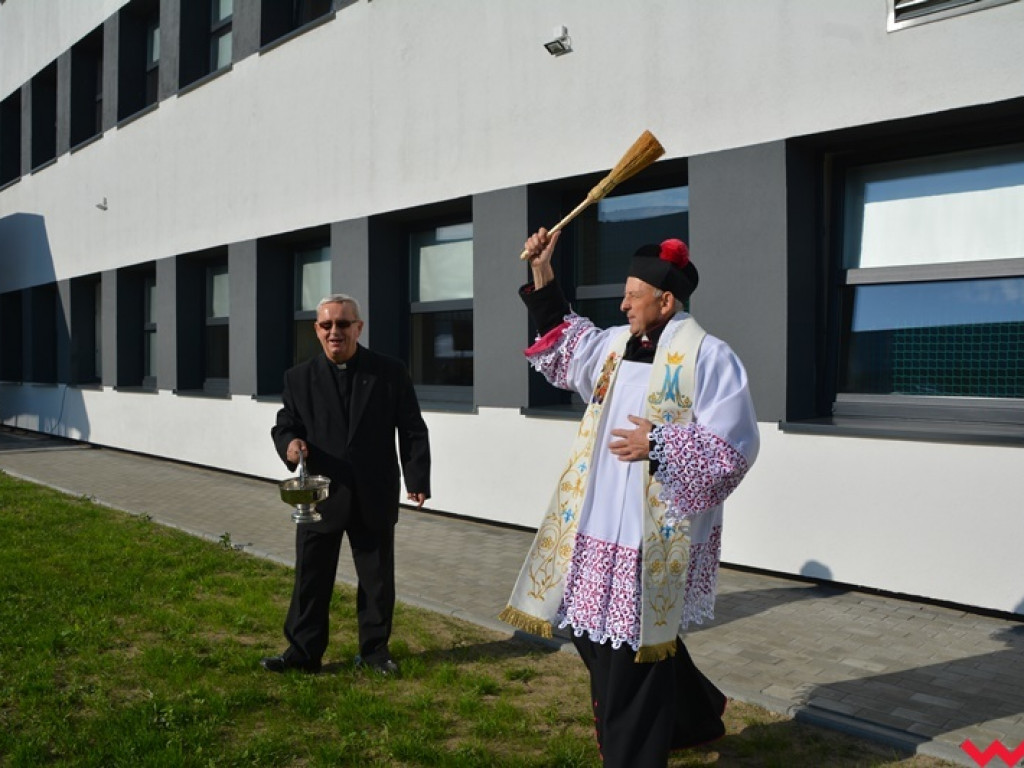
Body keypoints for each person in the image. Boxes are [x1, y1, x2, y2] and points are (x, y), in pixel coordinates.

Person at [499, 228, 759, 767]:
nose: (622, 304)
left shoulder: (709, 357)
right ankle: (695, 714)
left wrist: (658, 443)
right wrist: (542, 270)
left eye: (632, 295)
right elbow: (567, 341)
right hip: (594, 526)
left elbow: (734, 448)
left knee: (631, 665)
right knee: (599, 640)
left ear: (665, 301)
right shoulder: (615, 345)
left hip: (651, 538)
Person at [264, 294, 431, 676]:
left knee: (376, 581)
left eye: (343, 324)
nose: (335, 331)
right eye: (327, 325)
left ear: (359, 327)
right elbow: (285, 424)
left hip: (374, 492)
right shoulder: (298, 378)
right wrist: (289, 444)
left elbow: (412, 429)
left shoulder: (390, 372)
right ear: (317, 330)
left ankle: (374, 653)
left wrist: (417, 477)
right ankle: (303, 654)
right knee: (310, 579)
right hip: (320, 496)